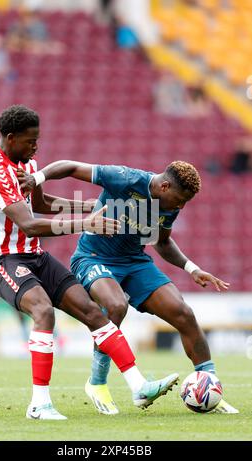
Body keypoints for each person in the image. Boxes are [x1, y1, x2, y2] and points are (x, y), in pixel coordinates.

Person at [0, 105, 179, 420]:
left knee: (91, 313)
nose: (36, 146)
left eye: (37, 140)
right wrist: (86, 222)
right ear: (11, 138)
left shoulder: (26, 162)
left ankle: (139, 385)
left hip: (34, 255)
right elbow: (30, 223)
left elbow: (41, 203)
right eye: (30, 141)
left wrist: (86, 205)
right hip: (1, 258)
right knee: (42, 310)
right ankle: (39, 404)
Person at [18, 159, 239, 415]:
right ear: (165, 186)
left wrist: (192, 268)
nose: (181, 206)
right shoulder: (125, 178)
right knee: (115, 305)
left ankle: (211, 387)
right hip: (92, 258)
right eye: (179, 200)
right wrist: (37, 179)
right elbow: (68, 166)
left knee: (184, 314)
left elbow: (162, 242)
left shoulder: (170, 205)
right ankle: (97, 382)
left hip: (134, 262)